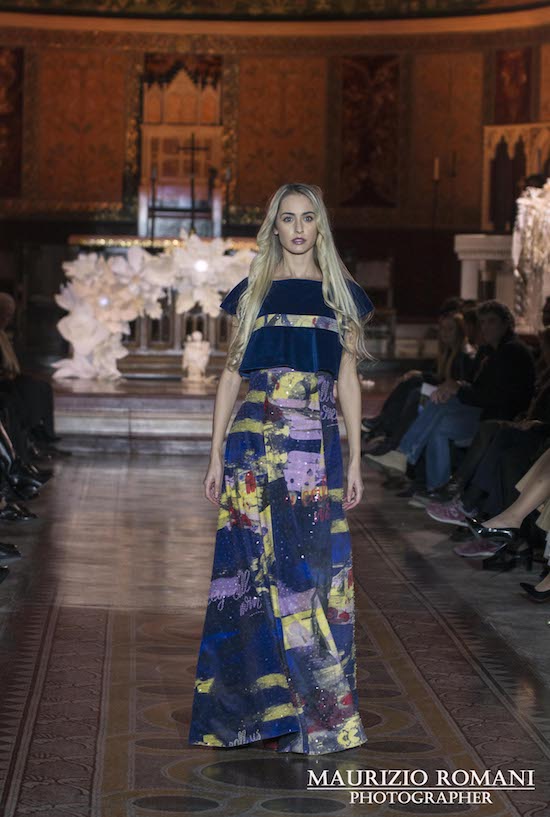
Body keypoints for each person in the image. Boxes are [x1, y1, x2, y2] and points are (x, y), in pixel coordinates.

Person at [188, 183, 374, 755]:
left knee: (311, 573)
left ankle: (317, 712)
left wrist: (357, 458)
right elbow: (230, 374)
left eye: (307, 218)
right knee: (250, 574)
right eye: (288, 218)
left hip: (315, 446)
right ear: (275, 227)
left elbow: (347, 381)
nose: (297, 228)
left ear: (320, 226)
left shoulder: (343, 296)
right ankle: (252, 713)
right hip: (252, 442)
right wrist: (215, 452)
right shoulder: (254, 292)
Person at [365, 300, 536, 495]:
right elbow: (474, 387)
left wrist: (458, 388)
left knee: (435, 401)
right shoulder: (489, 350)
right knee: (438, 421)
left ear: (506, 324)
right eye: (483, 322)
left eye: (492, 321)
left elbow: (494, 397)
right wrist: (455, 387)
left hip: (500, 417)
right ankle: (434, 488)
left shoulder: (512, 352)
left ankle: (402, 453)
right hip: (481, 411)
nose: (486, 327)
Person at [363, 312, 477, 456]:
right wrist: (419, 374)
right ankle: (383, 425)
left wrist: (424, 378)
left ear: (460, 331)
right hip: (443, 392)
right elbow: (440, 378)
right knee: (412, 380)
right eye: (443, 328)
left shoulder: (465, 354)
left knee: (416, 392)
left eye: (450, 329)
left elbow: (457, 384)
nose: (445, 333)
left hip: (453, 400)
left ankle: (391, 438)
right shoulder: (448, 352)